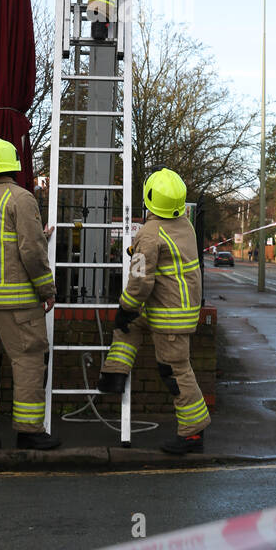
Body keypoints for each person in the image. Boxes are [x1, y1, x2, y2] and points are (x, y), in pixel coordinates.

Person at [98, 168, 210, 455]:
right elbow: (164, 257)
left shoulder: (149, 233)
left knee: (175, 371)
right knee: (131, 326)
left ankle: (192, 433)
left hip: (168, 314)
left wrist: (125, 307)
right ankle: (115, 372)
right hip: (177, 308)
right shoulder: (185, 224)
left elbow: (139, 281)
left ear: (149, 199)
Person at [0, 137, 60, 451]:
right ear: (15, 164)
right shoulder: (21, 198)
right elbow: (31, 251)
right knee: (29, 360)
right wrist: (46, 288)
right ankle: (29, 430)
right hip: (17, 300)